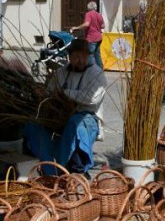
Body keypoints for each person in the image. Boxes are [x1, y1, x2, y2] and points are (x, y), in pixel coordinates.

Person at [24, 39, 106, 176]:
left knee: (75, 124)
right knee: (35, 125)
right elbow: (50, 92)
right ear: (69, 56)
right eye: (76, 57)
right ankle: (49, 168)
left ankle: (69, 166)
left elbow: (91, 98)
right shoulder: (62, 72)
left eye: (83, 57)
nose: (80, 60)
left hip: (87, 117)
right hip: (61, 115)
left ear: (88, 56)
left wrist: (64, 93)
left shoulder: (96, 73)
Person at [71, 1, 104, 68]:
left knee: (90, 55)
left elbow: (87, 24)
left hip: (92, 38)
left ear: (88, 8)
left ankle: (92, 71)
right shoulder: (99, 15)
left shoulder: (88, 14)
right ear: (95, 7)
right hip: (99, 38)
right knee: (97, 55)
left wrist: (76, 28)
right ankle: (100, 70)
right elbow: (103, 26)